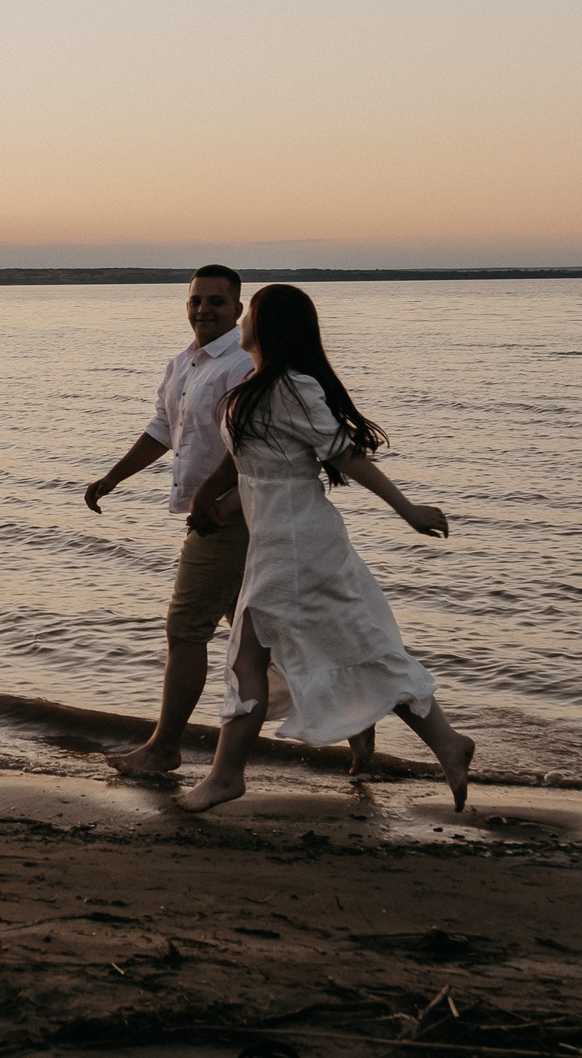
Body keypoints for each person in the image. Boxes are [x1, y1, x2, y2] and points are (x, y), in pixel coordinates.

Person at [175, 282, 476, 814]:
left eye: (253, 313)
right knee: (357, 645)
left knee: (253, 659)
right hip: (282, 541)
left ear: (267, 326)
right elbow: (264, 474)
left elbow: (345, 456)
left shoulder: (291, 388)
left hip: (297, 547)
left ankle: (225, 777)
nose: (241, 320)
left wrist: (408, 510)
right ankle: (448, 744)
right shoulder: (261, 383)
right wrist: (221, 507)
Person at [82, 265, 374, 779]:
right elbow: (162, 430)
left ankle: (164, 748)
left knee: (186, 627)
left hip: (233, 518)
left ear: (238, 310)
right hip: (214, 515)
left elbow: (260, 448)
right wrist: (113, 477)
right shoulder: (183, 364)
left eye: (217, 302)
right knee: (276, 637)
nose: (204, 310)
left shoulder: (244, 365)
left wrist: (217, 503)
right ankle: (362, 722)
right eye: (196, 300)